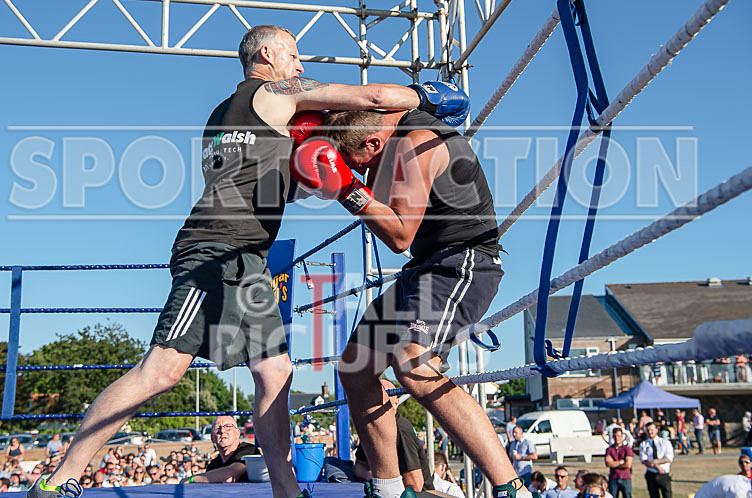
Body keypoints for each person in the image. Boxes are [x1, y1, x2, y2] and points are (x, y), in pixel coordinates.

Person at [26, 23, 467, 498]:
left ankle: (285, 490)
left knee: (275, 372)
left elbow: (271, 188)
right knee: (162, 370)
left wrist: (319, 172)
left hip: (249, 259)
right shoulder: (279, 90)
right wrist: (422, 96)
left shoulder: (223, 116)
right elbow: (372, 96)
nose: (301, 67)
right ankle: (60, 478)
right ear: (267, 54)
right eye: (294, 54)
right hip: (215, 251)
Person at [312, 108, 524, 498]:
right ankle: (389, 488)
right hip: (423, 269)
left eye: (358, 163)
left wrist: (346, 189)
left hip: (462, 262)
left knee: (412, 362)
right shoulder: (384, 136)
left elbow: (399, 236)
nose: (359, 173)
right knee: (355, 367)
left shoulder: (414, 145)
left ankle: (511, 488)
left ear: (373, 143)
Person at [354, 380, 434, 494]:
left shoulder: (401, 430)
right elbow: (359, 467)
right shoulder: (371, 428)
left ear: (396, 403)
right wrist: (376, 478)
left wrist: (385, 482)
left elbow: (415, 484)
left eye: (384, 398)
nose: (376, 403)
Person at [186, 415, 260, 483]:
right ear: (212, 438)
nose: (222, 431)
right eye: (217, 428)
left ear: (237, 433)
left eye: (228, 426)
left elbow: (230, 475)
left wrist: (191, 479)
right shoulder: (213, 465)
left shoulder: (249, 450)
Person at [639, 422, 674, 498]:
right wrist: (657, 466)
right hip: (651, 474)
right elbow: (644, 460)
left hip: (664, 475)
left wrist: (655, 462)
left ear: (656, 430)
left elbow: (668, 458)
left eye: (652, 430)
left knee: (667, 495)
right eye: (648, 430)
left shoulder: (665, 443)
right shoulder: (644, 444)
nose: (650, 432)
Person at [604, 428, 632, 498]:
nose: (617, 438)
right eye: (615, 436)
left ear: (622, 436)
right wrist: (620, 462)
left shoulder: (627, 449)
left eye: (619, 436)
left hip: (625, 478)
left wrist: (614, 463)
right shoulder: (609, 449)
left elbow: (628, 464)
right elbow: (608, 463)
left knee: (627, 496)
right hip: (613, 478)